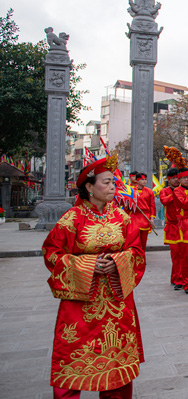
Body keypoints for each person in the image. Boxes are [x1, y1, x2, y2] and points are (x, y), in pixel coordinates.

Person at [42, 156, 145, 399]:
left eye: (114, 183)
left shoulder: (122, 217)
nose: (113, 188)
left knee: (117, 368)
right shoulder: (72, 218)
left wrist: (118, 263)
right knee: (73, 363)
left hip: (117, 302)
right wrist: (88, 265)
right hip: (81, 303)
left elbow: (137, 251)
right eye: (107, 182)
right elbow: (51, 254)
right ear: (89, 187)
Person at [159, 168, 184, 290]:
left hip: (184, 226)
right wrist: (177, 193)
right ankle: (178, 279)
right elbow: (164, 201)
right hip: (172, 226)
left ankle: (177, 277)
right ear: (169, 180)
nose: (176, 180)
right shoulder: (164, 191)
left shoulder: (183, 190)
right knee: (176, 254)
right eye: (173, 178)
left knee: (183, 254)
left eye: (177, 178)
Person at [130, 172, 156, 250]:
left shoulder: (149, 191)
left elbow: (152, 206)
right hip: (134, 217)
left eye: (145, 179)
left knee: (143, 241)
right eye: (142, 179)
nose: (144, 181)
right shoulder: (132, 191)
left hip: (145, 217)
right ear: (137, 181)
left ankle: (142, 258)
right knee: (134, 241)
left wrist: (151, 219)